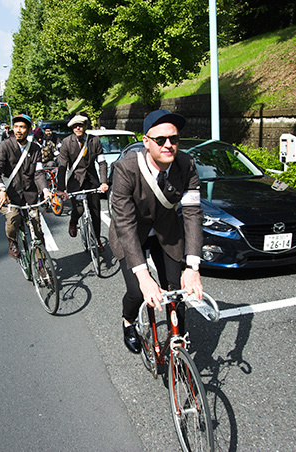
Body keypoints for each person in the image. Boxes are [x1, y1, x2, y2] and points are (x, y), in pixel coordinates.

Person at [108, 109, 204, 354]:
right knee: (137, 292)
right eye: (160, 140)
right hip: (131, 234)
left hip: (167, 231)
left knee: (175, 290)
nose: (168, 145)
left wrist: (193, 267)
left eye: (173, 139)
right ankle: (128, 320)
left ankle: (178, 341)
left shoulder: (186, 164)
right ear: (146, 141)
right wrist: (143, 277)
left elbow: (192, 213)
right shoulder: (125, 168)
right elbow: (125, 223)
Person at [0, 114, 52, 259]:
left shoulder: (36, 149)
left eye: (22, 127)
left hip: (29, 196)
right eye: (16, 126)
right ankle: (12, 240)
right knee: (14, 218)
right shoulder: (5, 146)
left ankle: (41, 264)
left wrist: (45, 190)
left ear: (29, 130)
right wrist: (1, 189)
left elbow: (38, 173)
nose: (19, 130)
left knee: (37, 230)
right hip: (8, 195)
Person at [56, 114, 108, 252]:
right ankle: (73, 220)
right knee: (79, 209)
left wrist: (103, 181)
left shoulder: (94, 140)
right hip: (75, 182)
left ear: (85, 126)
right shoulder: (67, 142)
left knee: (95, 212)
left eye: (80, 125)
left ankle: (97, 240)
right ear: (72, 128)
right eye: (75, 126)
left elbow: (102, 162)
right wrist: (61, 189)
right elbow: (62, 166)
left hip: (92, 181)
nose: (78, 128)